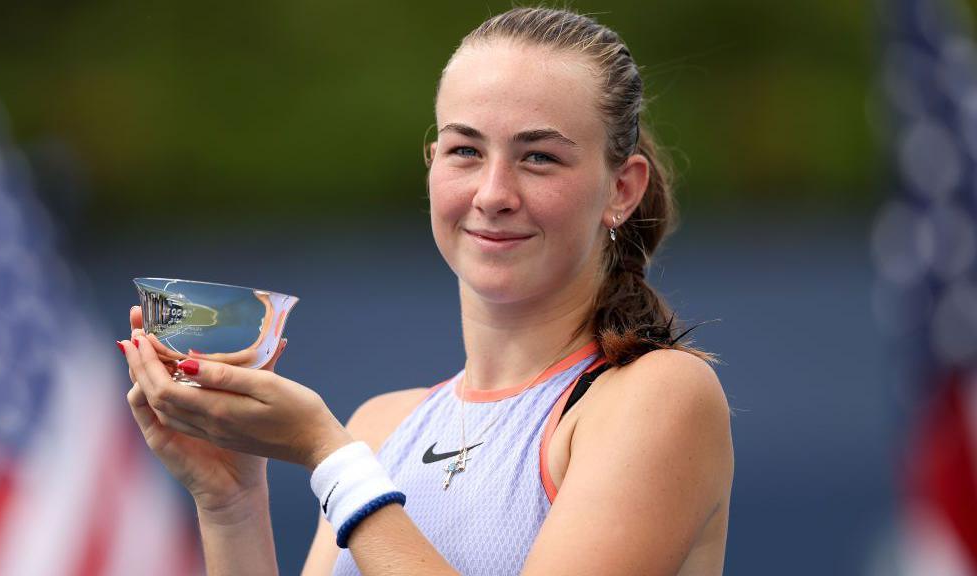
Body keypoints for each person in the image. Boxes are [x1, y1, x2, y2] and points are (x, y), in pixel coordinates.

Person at [117, 7, 734, 575]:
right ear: (432, 163)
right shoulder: (379, 427)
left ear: (621, 189)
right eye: (466, 150)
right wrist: (231, 500)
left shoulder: (660, 396)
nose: (493, 194)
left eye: (539, 157)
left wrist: (331, 458)